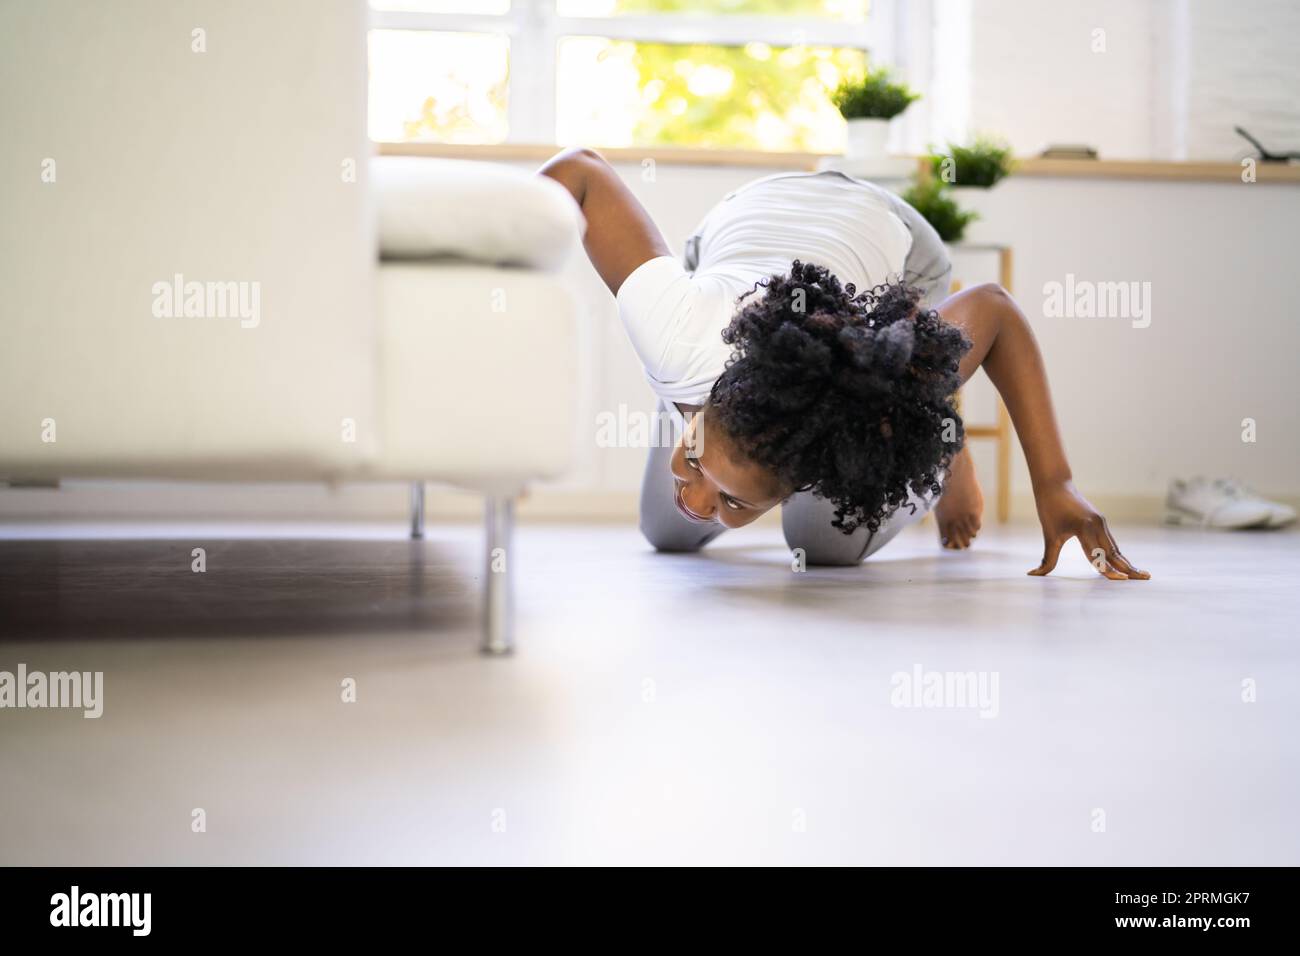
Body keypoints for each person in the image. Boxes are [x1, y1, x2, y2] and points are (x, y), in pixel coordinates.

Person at [540, 148, 1148, 580]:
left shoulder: (859, 394)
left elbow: (991, 310)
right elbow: (581, 171)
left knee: (821, 544)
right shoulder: (674, 329)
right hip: (747, 216)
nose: (699, 500)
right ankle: (926, 408)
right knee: (666, 533)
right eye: (695, 456)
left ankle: (933, 427)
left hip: (898, 250)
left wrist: (1056, 484)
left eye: (736, 503)